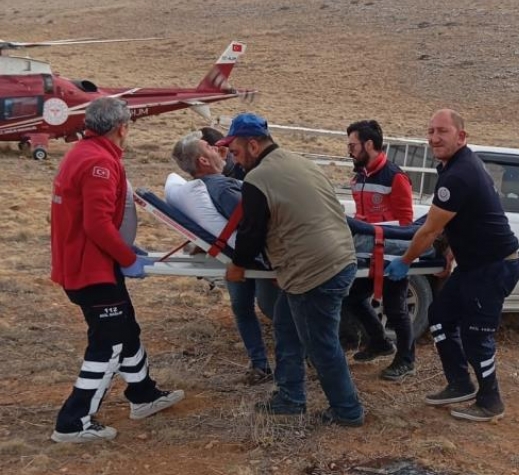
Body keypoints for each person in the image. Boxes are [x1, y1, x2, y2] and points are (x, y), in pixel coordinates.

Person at [50, 97, 184, 443]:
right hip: (91, 270)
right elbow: (96, 224)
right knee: (108, 343)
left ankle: (143, 395)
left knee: (126, 329)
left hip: (88, 264)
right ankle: (73, 422)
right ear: (122, 128)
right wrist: (126, 257)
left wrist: (123, 251)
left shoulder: (82, 153)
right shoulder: (99, 162)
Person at [221, 113, 364, 428]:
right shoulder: (300, 162)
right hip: (339, 258)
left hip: (313, 271)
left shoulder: (258, 178)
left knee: (321, 344)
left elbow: (251, 233)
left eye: (235, 151)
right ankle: (290, 398)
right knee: (286, 326)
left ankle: (347, 411)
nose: (234, 159)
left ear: (253, 145)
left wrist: (237, 266)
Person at [385, 109, 519, 422]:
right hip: (474, 266)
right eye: (430, 131)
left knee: (476, 336)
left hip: (493, 267)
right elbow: (459, 218)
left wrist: (405, 261)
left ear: (461, 136)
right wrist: (449, 250)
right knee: (440, 316)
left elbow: (429, 230)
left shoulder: (460, 173)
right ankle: (460, 383)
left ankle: (490, 402)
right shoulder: (454, 166)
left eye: (442, 131)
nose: (434, 138)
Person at [170, 133, 276, 384]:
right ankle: (300, 360)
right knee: (278, 311)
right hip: (254, 256)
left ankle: (260, 365)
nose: (217, 148)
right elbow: (254, 223)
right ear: (203, 161)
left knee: (242, 308)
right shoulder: (222, 188)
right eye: (209, 147)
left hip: (234, 256)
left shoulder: (204, 187)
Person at [343, 119, 416, 381]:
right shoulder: (359, 177)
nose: (349, 151)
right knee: (352, 298)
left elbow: (406, 224)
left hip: (391, 254)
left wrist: (401, 257)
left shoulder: (395, 177)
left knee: (396, 308)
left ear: (369, 145)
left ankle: (406, 360)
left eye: (353, 145)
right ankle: (380, 342)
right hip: (368, 253)